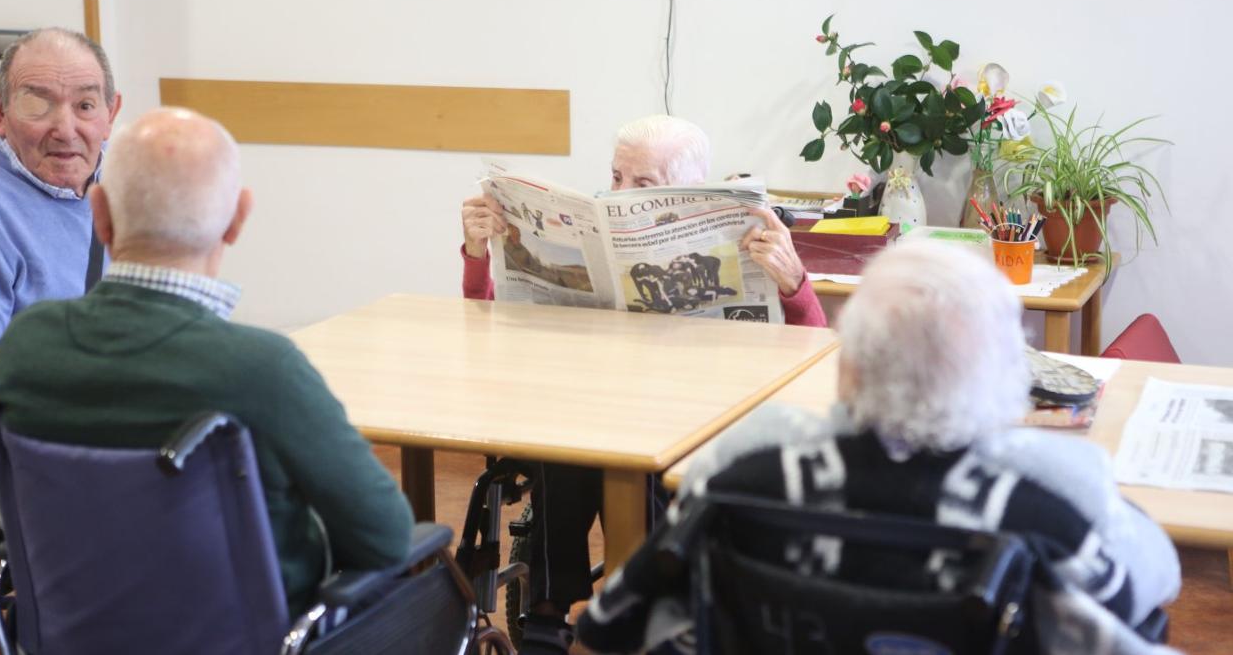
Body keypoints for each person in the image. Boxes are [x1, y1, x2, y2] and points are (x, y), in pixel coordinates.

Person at [579, 242, 1181, 653]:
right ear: (1005, 381)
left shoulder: (745, 469)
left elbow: (610, 624)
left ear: (849, 369)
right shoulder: (1054, 494)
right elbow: (1153, 588)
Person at [0, 108, 413, 616]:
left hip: (72, 635)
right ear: (237, 219)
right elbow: (385, 538)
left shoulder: (26, 346)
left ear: (99, 213)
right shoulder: (262, 369)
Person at [459, 114, 827, 654]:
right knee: (564, 441)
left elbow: (817, 354)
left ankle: (655, 606)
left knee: (648, 460)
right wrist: (475, 256)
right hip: (595, 404)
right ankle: (546, 613)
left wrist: (794, 283)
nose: (620, 193)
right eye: (616, 176)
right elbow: (487, 330)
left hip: (696, 415)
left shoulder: (747, 233)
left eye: (643, 184)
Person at [0, 28, 123, 374]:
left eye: (85, 106)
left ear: (111, 112)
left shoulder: (132, 178)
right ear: (0, 112)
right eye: (37, 104)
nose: (65, 129)